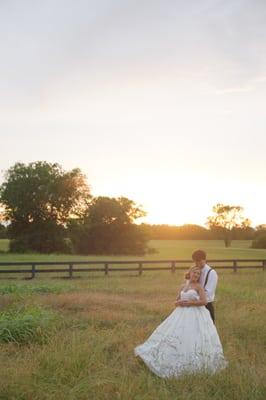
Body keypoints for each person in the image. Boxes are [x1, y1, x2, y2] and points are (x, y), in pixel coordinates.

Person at [134, 265, 227, 379]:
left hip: (195, 314)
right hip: (180, 313)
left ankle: (195, 362)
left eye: (198, 274)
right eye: (194, 273)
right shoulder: (184, 286)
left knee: (192, 335)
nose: (196, 275)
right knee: (173, 333)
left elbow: (204, 301)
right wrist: (179, 303)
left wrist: (189, 303)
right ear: (190, 273)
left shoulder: (199, 287)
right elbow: (176, 300)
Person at [189, 249, 218, 323]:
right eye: (195, 261)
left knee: (207, 331)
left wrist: (192, 300)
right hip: (193, 306)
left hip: (206, 306)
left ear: (204, 259)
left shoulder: (211, 273)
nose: (196, 263)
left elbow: (208, 293)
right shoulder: (195, 270)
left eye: (198, 261)